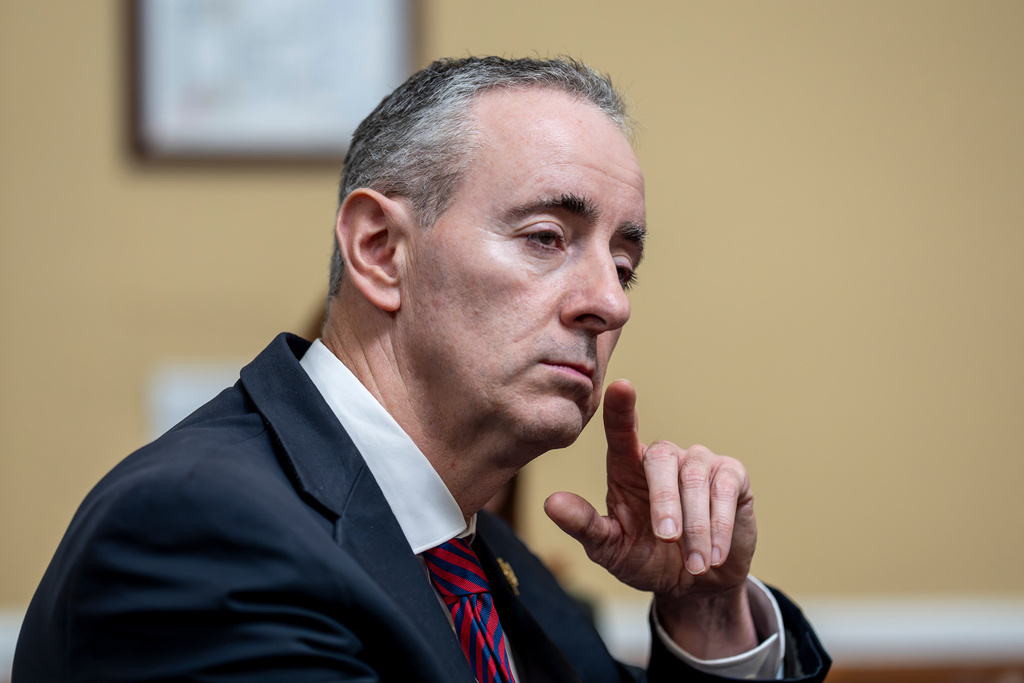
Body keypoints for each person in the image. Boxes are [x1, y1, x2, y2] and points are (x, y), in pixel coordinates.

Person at [13, 56, 829, 682]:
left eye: (625, 264)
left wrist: (708, 608)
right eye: (547, 236)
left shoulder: (485, 557)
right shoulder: (199, 530)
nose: (609, 303)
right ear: (380, 250)